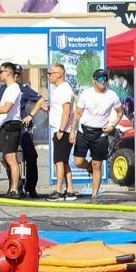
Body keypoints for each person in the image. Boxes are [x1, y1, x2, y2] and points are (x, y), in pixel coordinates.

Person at [0, 62, 39, 199]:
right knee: (8, 158)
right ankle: (14, 188)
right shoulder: (6, 89)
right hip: (7, 125)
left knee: (12, 158)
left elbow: (5, 108)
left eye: (1, 72)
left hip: (12, 126)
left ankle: (16, 189)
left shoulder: (14, 88)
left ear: (8, 73)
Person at [71, 69, 121, 201]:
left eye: (105, 78)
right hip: (83, 131)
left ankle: (94, 196)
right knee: (78, 161)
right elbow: (77, 114)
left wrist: (112, 125)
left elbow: (120, 112)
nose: (103, 81)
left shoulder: (112, 95)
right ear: (94, 81)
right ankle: (89, 169)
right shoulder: (86, 94)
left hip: (101, 134)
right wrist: (72, 131)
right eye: (99, 79)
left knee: (97, 165)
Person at [45, 63, 76, 200]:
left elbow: (67, 111)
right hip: (59, 129)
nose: (48, 76)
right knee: (63, 161)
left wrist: (61, 130)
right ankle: (70, 189)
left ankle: (59, 189)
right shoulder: (58, 89)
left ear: (59, 74)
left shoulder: (64, 89)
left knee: (59, 161)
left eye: (50, 73)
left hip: (62, 130)